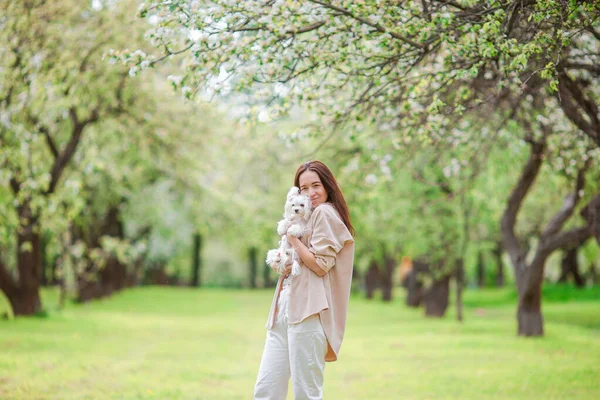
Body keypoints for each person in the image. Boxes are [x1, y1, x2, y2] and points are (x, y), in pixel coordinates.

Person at [254, 160, 355, 400]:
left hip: (310, 313)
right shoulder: (303, 216)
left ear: (327, 186)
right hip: (283, 310)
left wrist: (294, 240)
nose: (310, 193)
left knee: (306, 394)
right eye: (303, 188)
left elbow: (320, 265)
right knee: (266, 390)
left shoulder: (325, 212)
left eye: (316, 185)